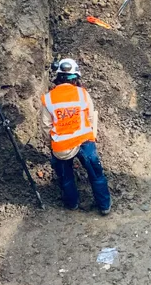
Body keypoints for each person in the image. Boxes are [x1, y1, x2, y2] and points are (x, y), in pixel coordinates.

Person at [41, 58, 112, 215]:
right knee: (96, 175)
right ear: (75, 78)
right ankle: (104, 206)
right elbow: (90, 118)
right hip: (84, 140)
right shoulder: (82, 94)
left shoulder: (48, 98)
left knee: (66, 177)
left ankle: (72, 204)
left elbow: (46, 126)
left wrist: (52, 143)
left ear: (58, 78)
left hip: (61, 146)